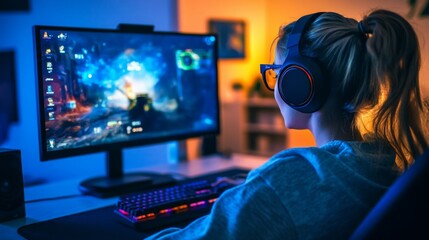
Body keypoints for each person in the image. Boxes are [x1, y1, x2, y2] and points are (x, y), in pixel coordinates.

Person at [145, 9, 428, 239]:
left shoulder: (288, 178)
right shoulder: (380, 163)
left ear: (299, 83)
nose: (275, 84)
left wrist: (261, 190)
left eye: (276, 72)